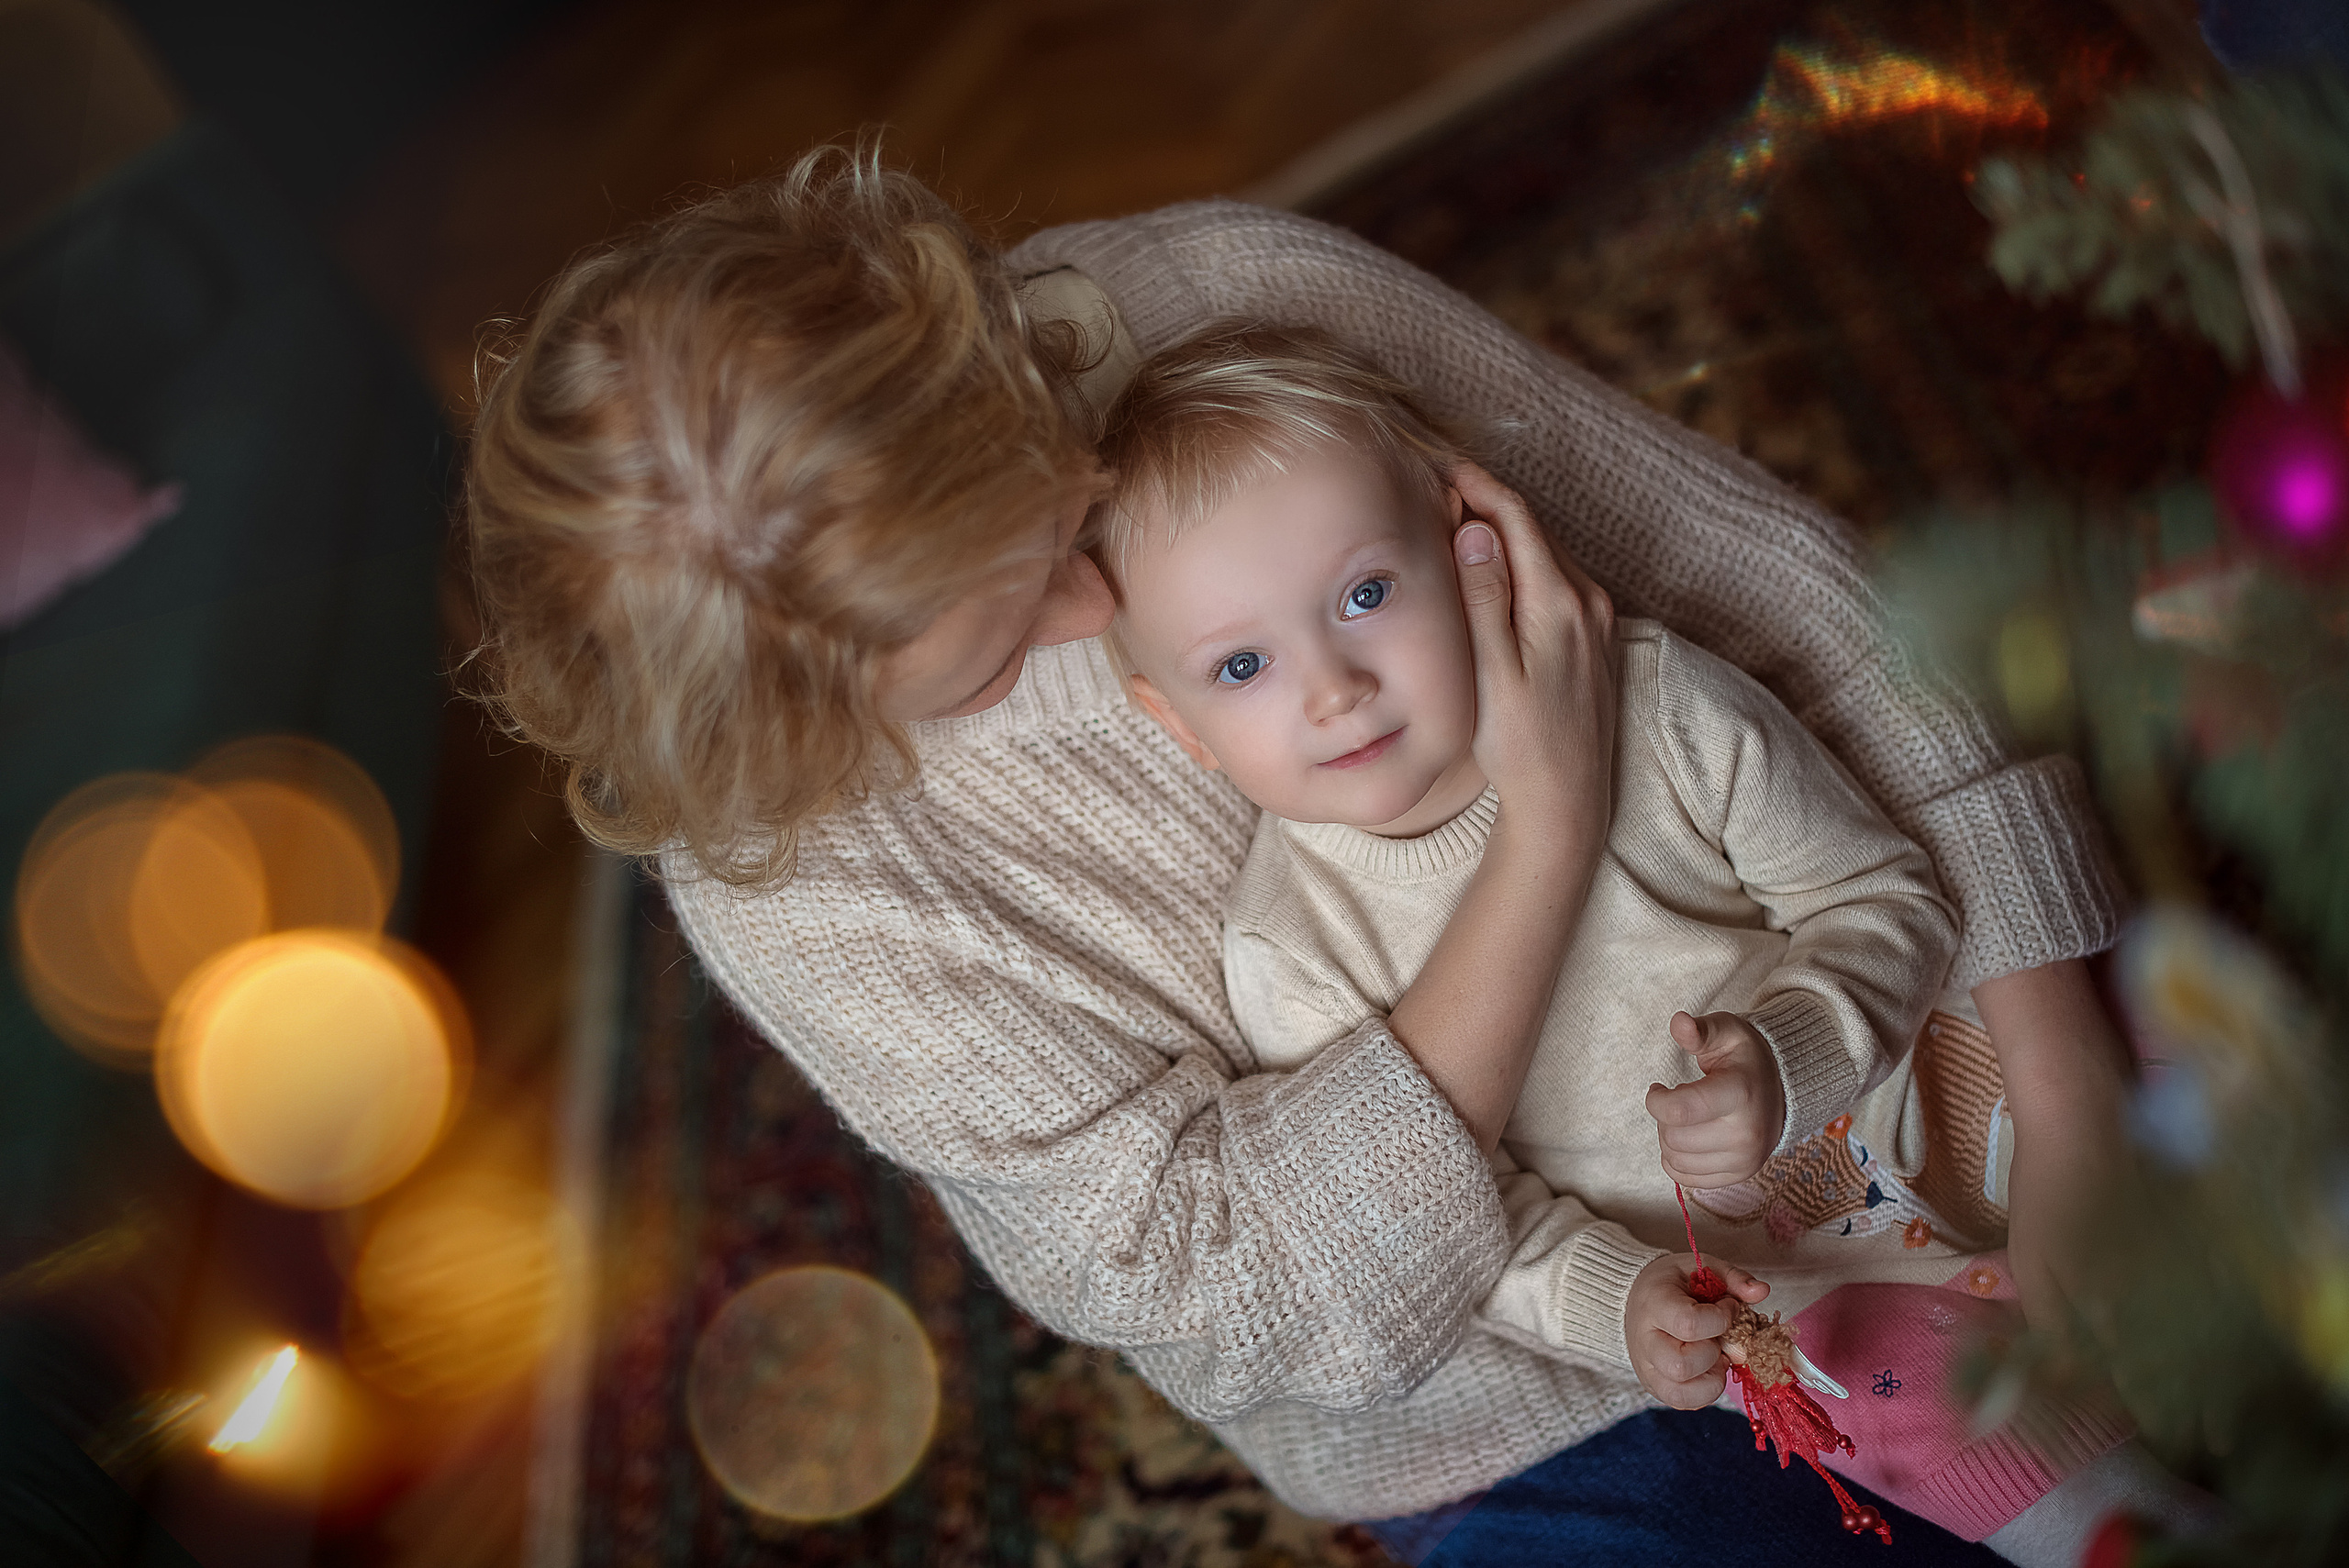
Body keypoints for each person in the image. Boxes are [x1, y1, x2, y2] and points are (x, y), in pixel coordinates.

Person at [464, 146, 2138, 1562]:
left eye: (1058, 504)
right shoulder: (802, 886)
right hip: (1518, 1360)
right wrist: (1539, 836)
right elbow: (1259, 1292)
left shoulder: (1214, 302)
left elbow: (1791, 603)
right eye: (997, 649)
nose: (1098, 603)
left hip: (1852, 1059)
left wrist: (2067, 1107)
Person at [1090, 322, 2172, 1559]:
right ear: (1177, 729)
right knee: (1932, 1416)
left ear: (1472, 550)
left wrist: (1786, 1059)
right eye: (1243, 663)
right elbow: (1458, 1220)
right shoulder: (1294, 947)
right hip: (1792, 1289)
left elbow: (1886, 897)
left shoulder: (1653, 701)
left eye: (1365, 593)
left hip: (1932, 1089)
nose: (1331, 685)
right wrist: (1619, 1302)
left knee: (2190, 1039)